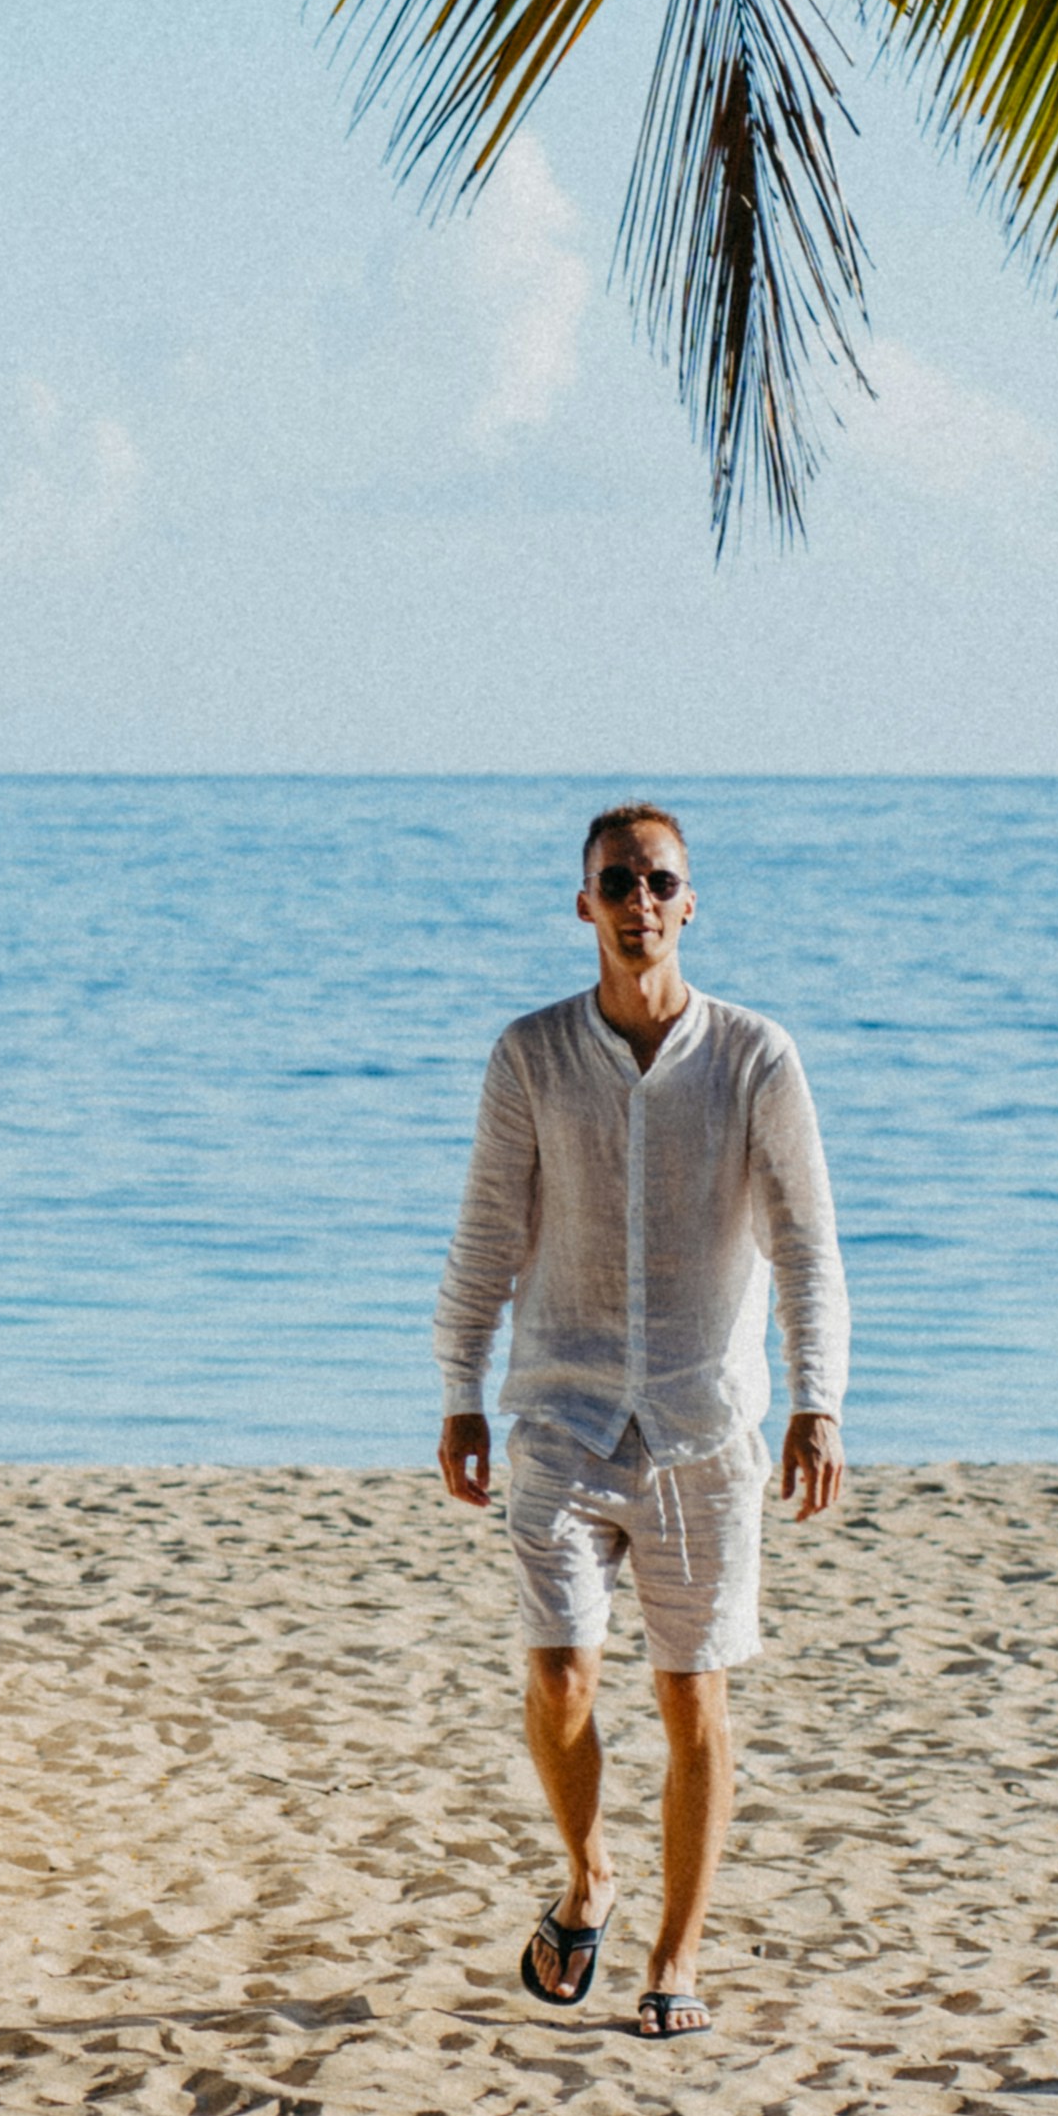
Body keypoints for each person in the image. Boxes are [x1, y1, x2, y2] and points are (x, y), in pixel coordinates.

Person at [432, 803, 845, 2041]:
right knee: (559, 1677)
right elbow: (485, 1236)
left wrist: (817, 1401)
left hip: (702, 1426)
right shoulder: (530, 1055)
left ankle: (673, 1955)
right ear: (584, 904)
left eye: (659, 881)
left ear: (689, 901)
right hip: (558, 1412)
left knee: (692, 1697)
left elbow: (806, 1246)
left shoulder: (754, 1057)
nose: (639, 901)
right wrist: (459, 1383)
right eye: (617, 881)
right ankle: (590, 1876)